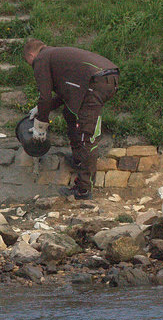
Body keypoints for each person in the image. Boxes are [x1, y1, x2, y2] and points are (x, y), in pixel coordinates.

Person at [23, 38, 119, 200]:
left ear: (31, 55)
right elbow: (63, 95)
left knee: (86, 134)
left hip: (95, 82)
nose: (32, 66)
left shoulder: (41, 59)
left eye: (29, 62)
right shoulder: (58, 56)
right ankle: (78, 159)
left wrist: (40, 126)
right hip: (108, 77)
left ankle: (83, 189)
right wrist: (42, 109)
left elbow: (45, 95)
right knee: (69, 113)